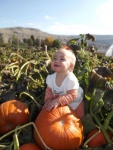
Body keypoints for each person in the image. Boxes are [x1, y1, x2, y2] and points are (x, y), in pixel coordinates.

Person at [43, 47, 84, 119]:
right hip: (58, 102)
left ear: (70, 66)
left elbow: (72, 95)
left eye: (62, 59)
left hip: (74, 104)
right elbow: (49, 90)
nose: (57, 61)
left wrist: (58, 101)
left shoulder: (71, 80)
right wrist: (48, 100)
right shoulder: (51, 78)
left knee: (77, 119)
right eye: (54, 58)